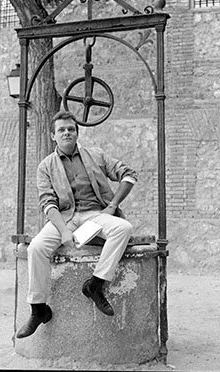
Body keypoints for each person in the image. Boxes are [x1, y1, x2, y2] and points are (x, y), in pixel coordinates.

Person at [16, 110, 137, 338]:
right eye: (61, 130)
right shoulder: (45, 166)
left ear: (77, 133)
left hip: (94, 214)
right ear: (53, 136)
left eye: (71, 129)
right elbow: (48, 203)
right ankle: (38, 309)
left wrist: (112, 205)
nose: (67, 133)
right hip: (64, 218)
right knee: (36, 248)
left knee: (123, 228)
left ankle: (95, 285)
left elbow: (128, 174)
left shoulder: (96, 155)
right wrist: (63, 231)